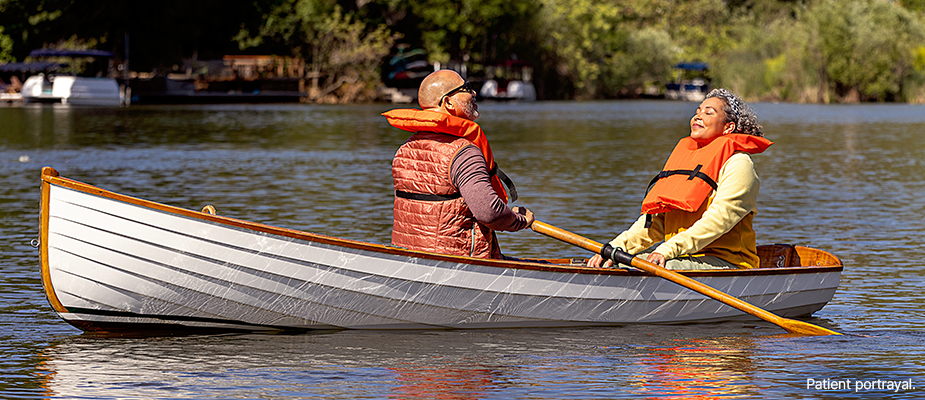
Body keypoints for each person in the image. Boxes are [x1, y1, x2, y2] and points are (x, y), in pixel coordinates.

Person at [589, 88, 773, 270]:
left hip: (728, 263)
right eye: (697, 112)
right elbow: (654, 223)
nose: (698, 116)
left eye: (709, 112)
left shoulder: (739, 164)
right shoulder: (685, 162)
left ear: (728, 127)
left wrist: (668, 250)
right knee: (613, 264)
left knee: (638, 268)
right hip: (679, 257)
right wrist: (613, 249)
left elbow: (719, 220)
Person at [382, 70, 534, 258]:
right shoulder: (464, 154)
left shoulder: (405, 150)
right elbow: (489, 213)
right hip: (458, 262)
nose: (474, 93)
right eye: (467, 88)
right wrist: (520, 220)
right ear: (448, 102)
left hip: (409, 258)